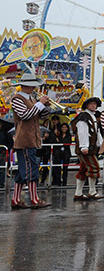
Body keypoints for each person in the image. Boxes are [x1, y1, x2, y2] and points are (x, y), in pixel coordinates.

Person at [10, 72, 52, 209]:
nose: (34, 88)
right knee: (31, 169)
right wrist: (40, 104)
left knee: (24, 171)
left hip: (31, 139)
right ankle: (34, 199)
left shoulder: (32, 99)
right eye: (33, 85)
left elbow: (40, 115)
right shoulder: (17, 99)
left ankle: (16, 200)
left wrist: (46, 106)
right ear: (26, 85)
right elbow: (25, 115)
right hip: (24, 139)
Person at [72, 96, 103, 200]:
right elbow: (82, 132)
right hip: (86, 149)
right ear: (86, 106)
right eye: (91, 104)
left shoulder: (93, 117)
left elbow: (96, 132)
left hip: (91, 148)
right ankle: (92, 191)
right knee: (94, 167)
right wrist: (84, 146)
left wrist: (101, 144)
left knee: (83, 169)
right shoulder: (83, 117)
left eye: (95, 104)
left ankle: (78, 193)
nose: (93, 105)